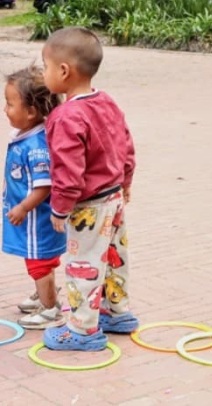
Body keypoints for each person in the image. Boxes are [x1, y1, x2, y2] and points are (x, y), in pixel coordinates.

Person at [39, 27, 137, 351]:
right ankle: (116, 311)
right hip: (113, 198)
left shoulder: (66, 116)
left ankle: (81, 330)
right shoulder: (106, 102)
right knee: (114, 256)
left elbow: (69, 170)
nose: (44, 73)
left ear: (64, 71)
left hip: (90, 207)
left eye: (46, 67)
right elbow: (125, 144)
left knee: (84, 264)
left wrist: (60, 207)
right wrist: (125, 181)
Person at [1, 65, 65, 329]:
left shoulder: (36, 146)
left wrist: (23, 208)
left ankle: (51, 310)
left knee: (40, 263)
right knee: (39, 262)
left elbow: (44, 186)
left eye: (9, 104)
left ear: (31, 112)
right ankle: (44, 295)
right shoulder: (26, 135)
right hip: (31, 220)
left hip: (36, 221)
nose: (5, 109)